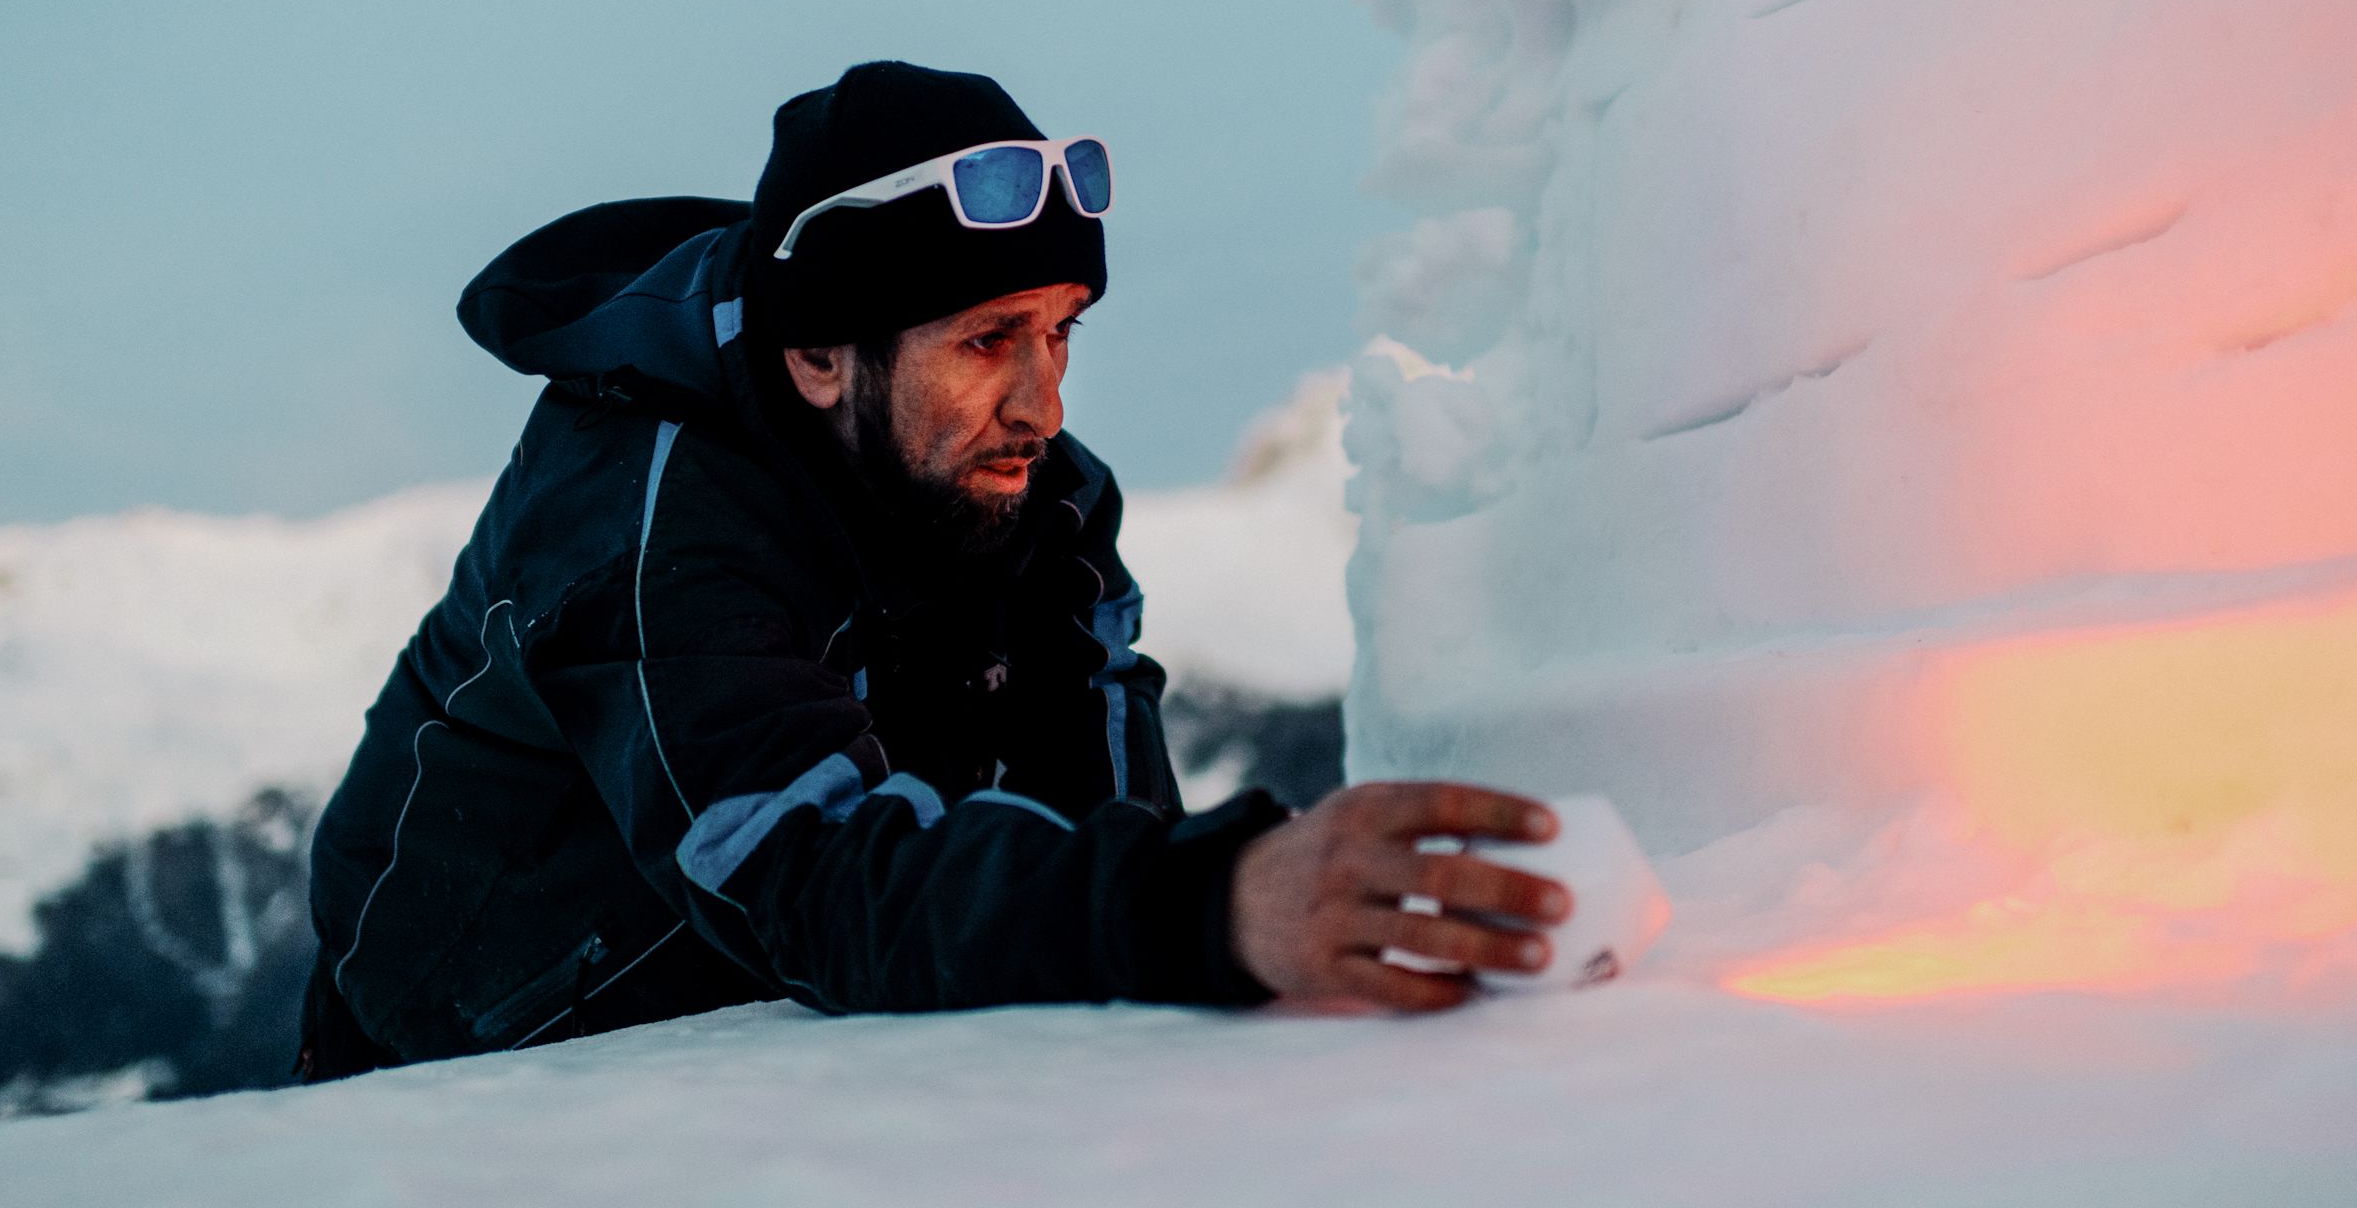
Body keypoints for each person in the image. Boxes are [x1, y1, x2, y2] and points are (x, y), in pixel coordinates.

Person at [299, 62, 1572, 1079]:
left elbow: (1106, 808)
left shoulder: (1041, 499)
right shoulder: (652, 515)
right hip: (470, 1072)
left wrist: (1230, 910)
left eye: (1061, 330)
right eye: (986, 340)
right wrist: (1215, 904)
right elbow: (795, 869)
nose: (1043, 400)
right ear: (818, 357)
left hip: (764, 1050)